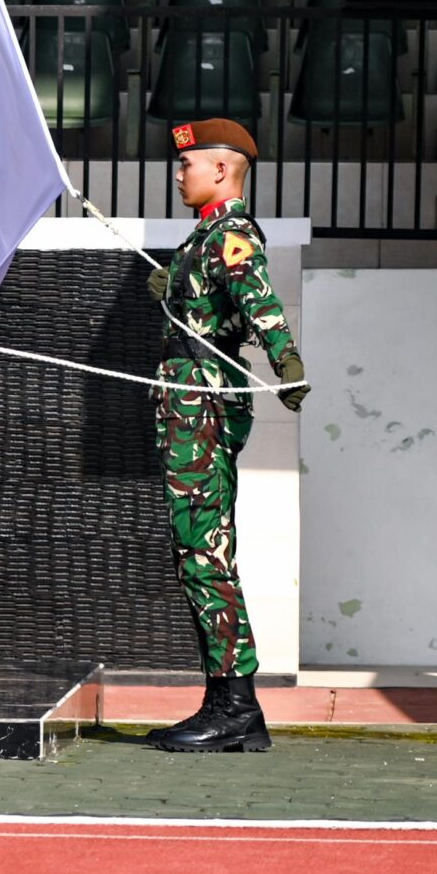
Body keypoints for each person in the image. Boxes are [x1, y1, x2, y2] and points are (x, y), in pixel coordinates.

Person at [142, 119, 308, 753]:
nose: (178, 173)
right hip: (188, 406)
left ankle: (235, 707)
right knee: (197, 551)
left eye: (187, 163)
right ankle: (228, 704)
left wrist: (285, 360)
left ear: (220, 169)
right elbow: (221, 308)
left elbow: (258, 298)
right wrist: (175, 295)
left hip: (201, 407)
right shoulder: (204, 236)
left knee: (204, 552)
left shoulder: (231, 234)